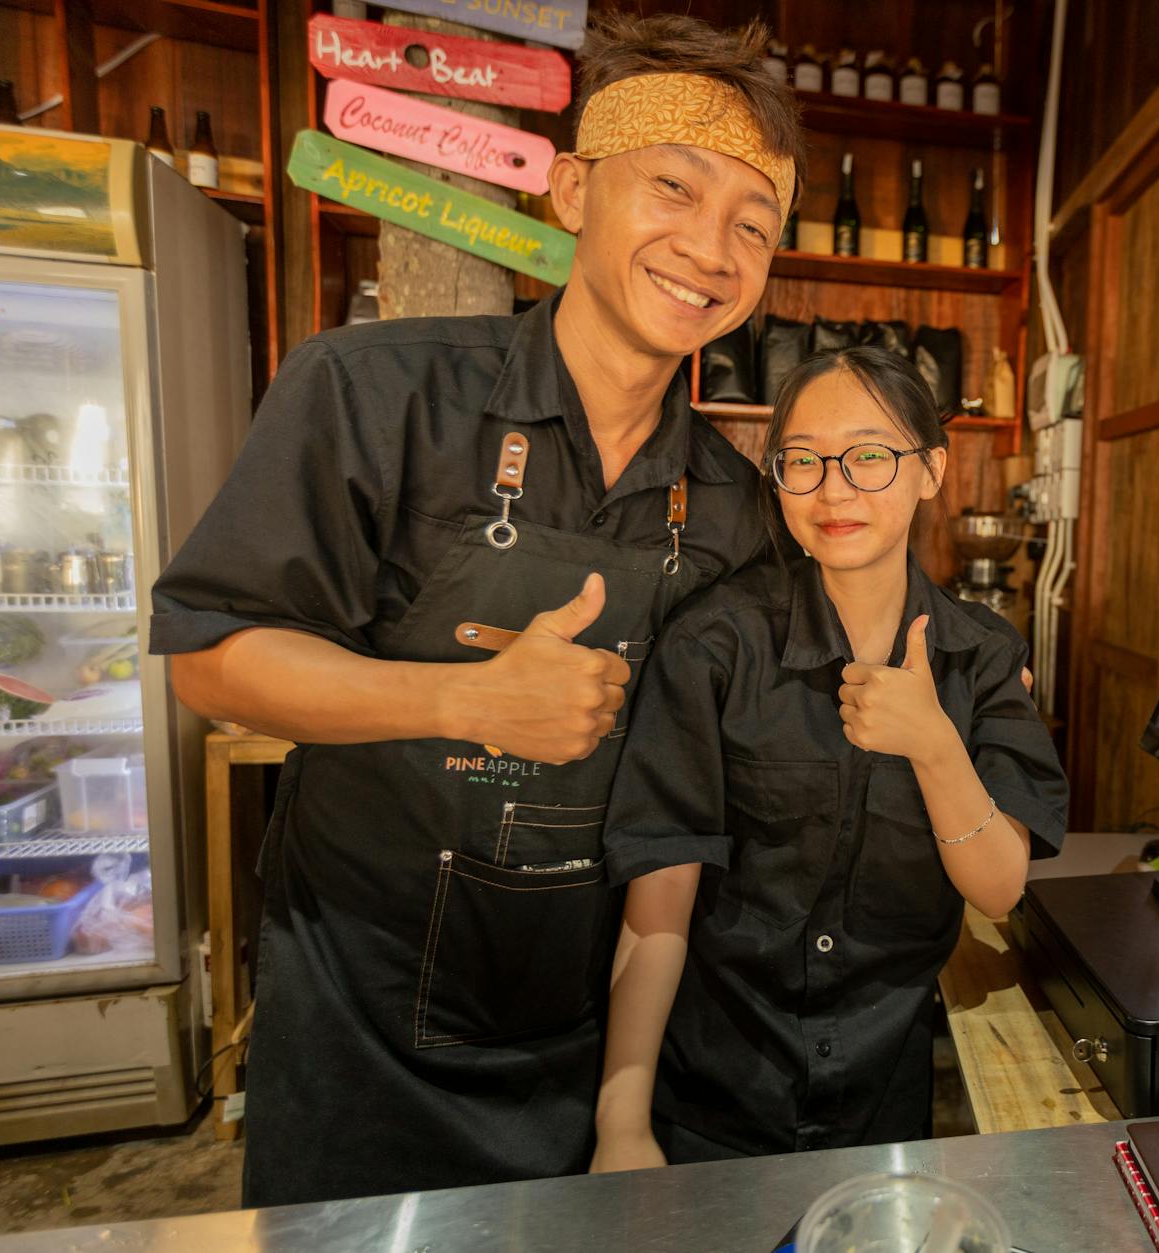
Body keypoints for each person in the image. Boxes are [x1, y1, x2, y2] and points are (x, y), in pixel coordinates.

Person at [147, 14, 806, 1206]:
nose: (710, 248)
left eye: (752, 226)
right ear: (569, 192)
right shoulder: (371, 390)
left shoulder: (729, 504)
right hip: (359, 998)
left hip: (579, 1018)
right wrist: (467, 698)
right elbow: (209, 655)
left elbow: (699, 782)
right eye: (673, 187)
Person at [591, 347, 1069, 1168]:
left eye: (870, 456)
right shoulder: (716, 644)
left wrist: (932, 742)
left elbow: (999, 883)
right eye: (803, 461)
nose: (834, 488)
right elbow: (660, 893)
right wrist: (620, 1123)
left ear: (931, 471)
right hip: (709, 1098)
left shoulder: (984, 657)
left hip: (881, 1107)